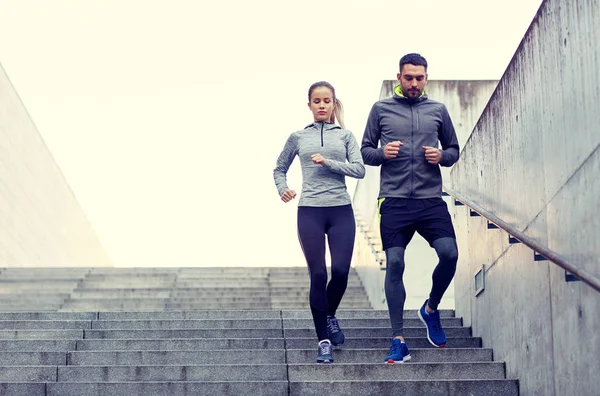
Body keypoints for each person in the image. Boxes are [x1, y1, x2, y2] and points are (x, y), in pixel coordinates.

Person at [360, 53, 460, 364]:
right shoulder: (381, 110)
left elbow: (454, 150)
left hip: (430, 199)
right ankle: (398, 339)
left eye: (419, 78)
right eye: (408, 78)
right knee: (396, 262)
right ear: (399, 78)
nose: (414, 83)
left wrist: (441, 157)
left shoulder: (438, 110)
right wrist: (382, 153)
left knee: (450, 254)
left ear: (426, 78)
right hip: (393, 199)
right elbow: (365, 151)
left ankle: (431, 308)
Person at [273, 81, 365, 364]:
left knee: (340, 272)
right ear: (310, 105)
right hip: (310, 211)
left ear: (333, 103)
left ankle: (329, 315)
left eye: (327, 100)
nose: (322, 105)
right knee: (318, 275)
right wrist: (283, 188)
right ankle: (323, 340)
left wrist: (329, 163)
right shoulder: (298, 137)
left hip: (340, 210)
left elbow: (360, 169)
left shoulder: (346, 136)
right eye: (317, 101)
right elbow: (279, 168)